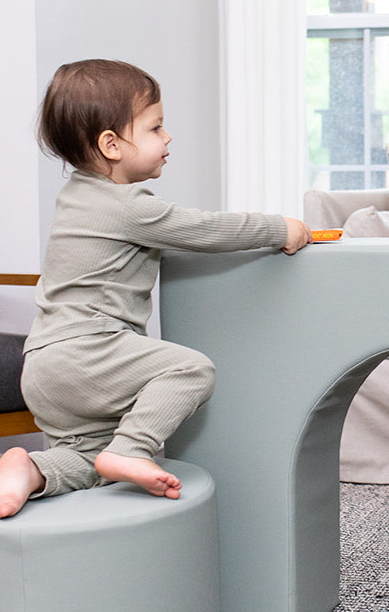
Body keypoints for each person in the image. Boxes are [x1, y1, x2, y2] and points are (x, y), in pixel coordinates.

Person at [0, 59, 311, 520]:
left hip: (45, 364)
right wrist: (278, 227)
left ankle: (30, 469)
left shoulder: (78, 196)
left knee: (90, 462)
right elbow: (201, 228)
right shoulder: (128, 206)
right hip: (89, 351)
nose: (167, 138)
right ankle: (132, 447)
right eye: (155, 127)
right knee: (191, 369)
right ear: (111, 145)